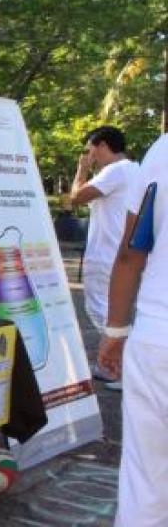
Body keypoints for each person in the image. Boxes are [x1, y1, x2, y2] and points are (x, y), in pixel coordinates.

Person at [98, 132, 167, 526]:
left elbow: (130, 253)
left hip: (157, 337)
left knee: (146, 482)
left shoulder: (161, 151)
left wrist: (117, 330)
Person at [69, 126, 139, 389]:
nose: (89, 155)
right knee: (116, 313)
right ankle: (111, 367)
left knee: (100, 310)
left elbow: (75, 198)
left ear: (102, 145)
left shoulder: (114, 171)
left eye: (90, 149)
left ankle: (121, 369)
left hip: (105, 254)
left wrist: (81, 169)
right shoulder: (135, 169)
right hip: (121, 254)